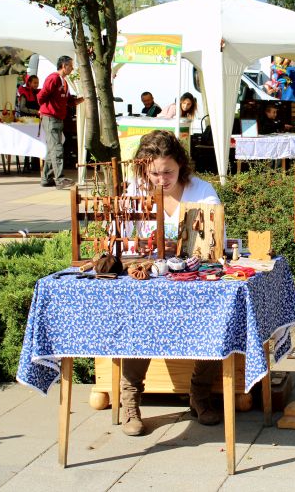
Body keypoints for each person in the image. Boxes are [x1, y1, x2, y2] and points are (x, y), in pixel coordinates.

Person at [120, 129, 222, 436]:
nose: (161, 180)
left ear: (181, 166)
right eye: (154, 173)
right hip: (148, 281)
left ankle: (199, 394)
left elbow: (212, 240)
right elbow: (122, 239)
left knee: (216, 316)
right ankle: (129, 400)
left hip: (189, 281)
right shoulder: (135, 192)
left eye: (168, 172)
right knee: (136, 318)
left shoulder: (201, 191)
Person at [37, 55, 83, 189]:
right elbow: (41, 96)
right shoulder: (53, 78)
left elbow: (69, 101)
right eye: (70, 65)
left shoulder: (64, 81)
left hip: (57, 118)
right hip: (51, 118)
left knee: (53, 149)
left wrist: (82, 99)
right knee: (57, 148)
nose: (72, 68)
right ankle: (60, 179)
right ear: (64, 66)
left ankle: (46, 178)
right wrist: (46, 108)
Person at [17, 75, 41, 172]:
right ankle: (26, 163)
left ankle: (35, 163)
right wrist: (35, 112)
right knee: (27, 141)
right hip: (26, 121)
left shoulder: (38, 92)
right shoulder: (24, 93)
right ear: (29, 83)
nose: (36, 84)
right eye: (34, 82)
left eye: (37, 82)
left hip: (36, 121)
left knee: (36, 141)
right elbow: (22, 108)